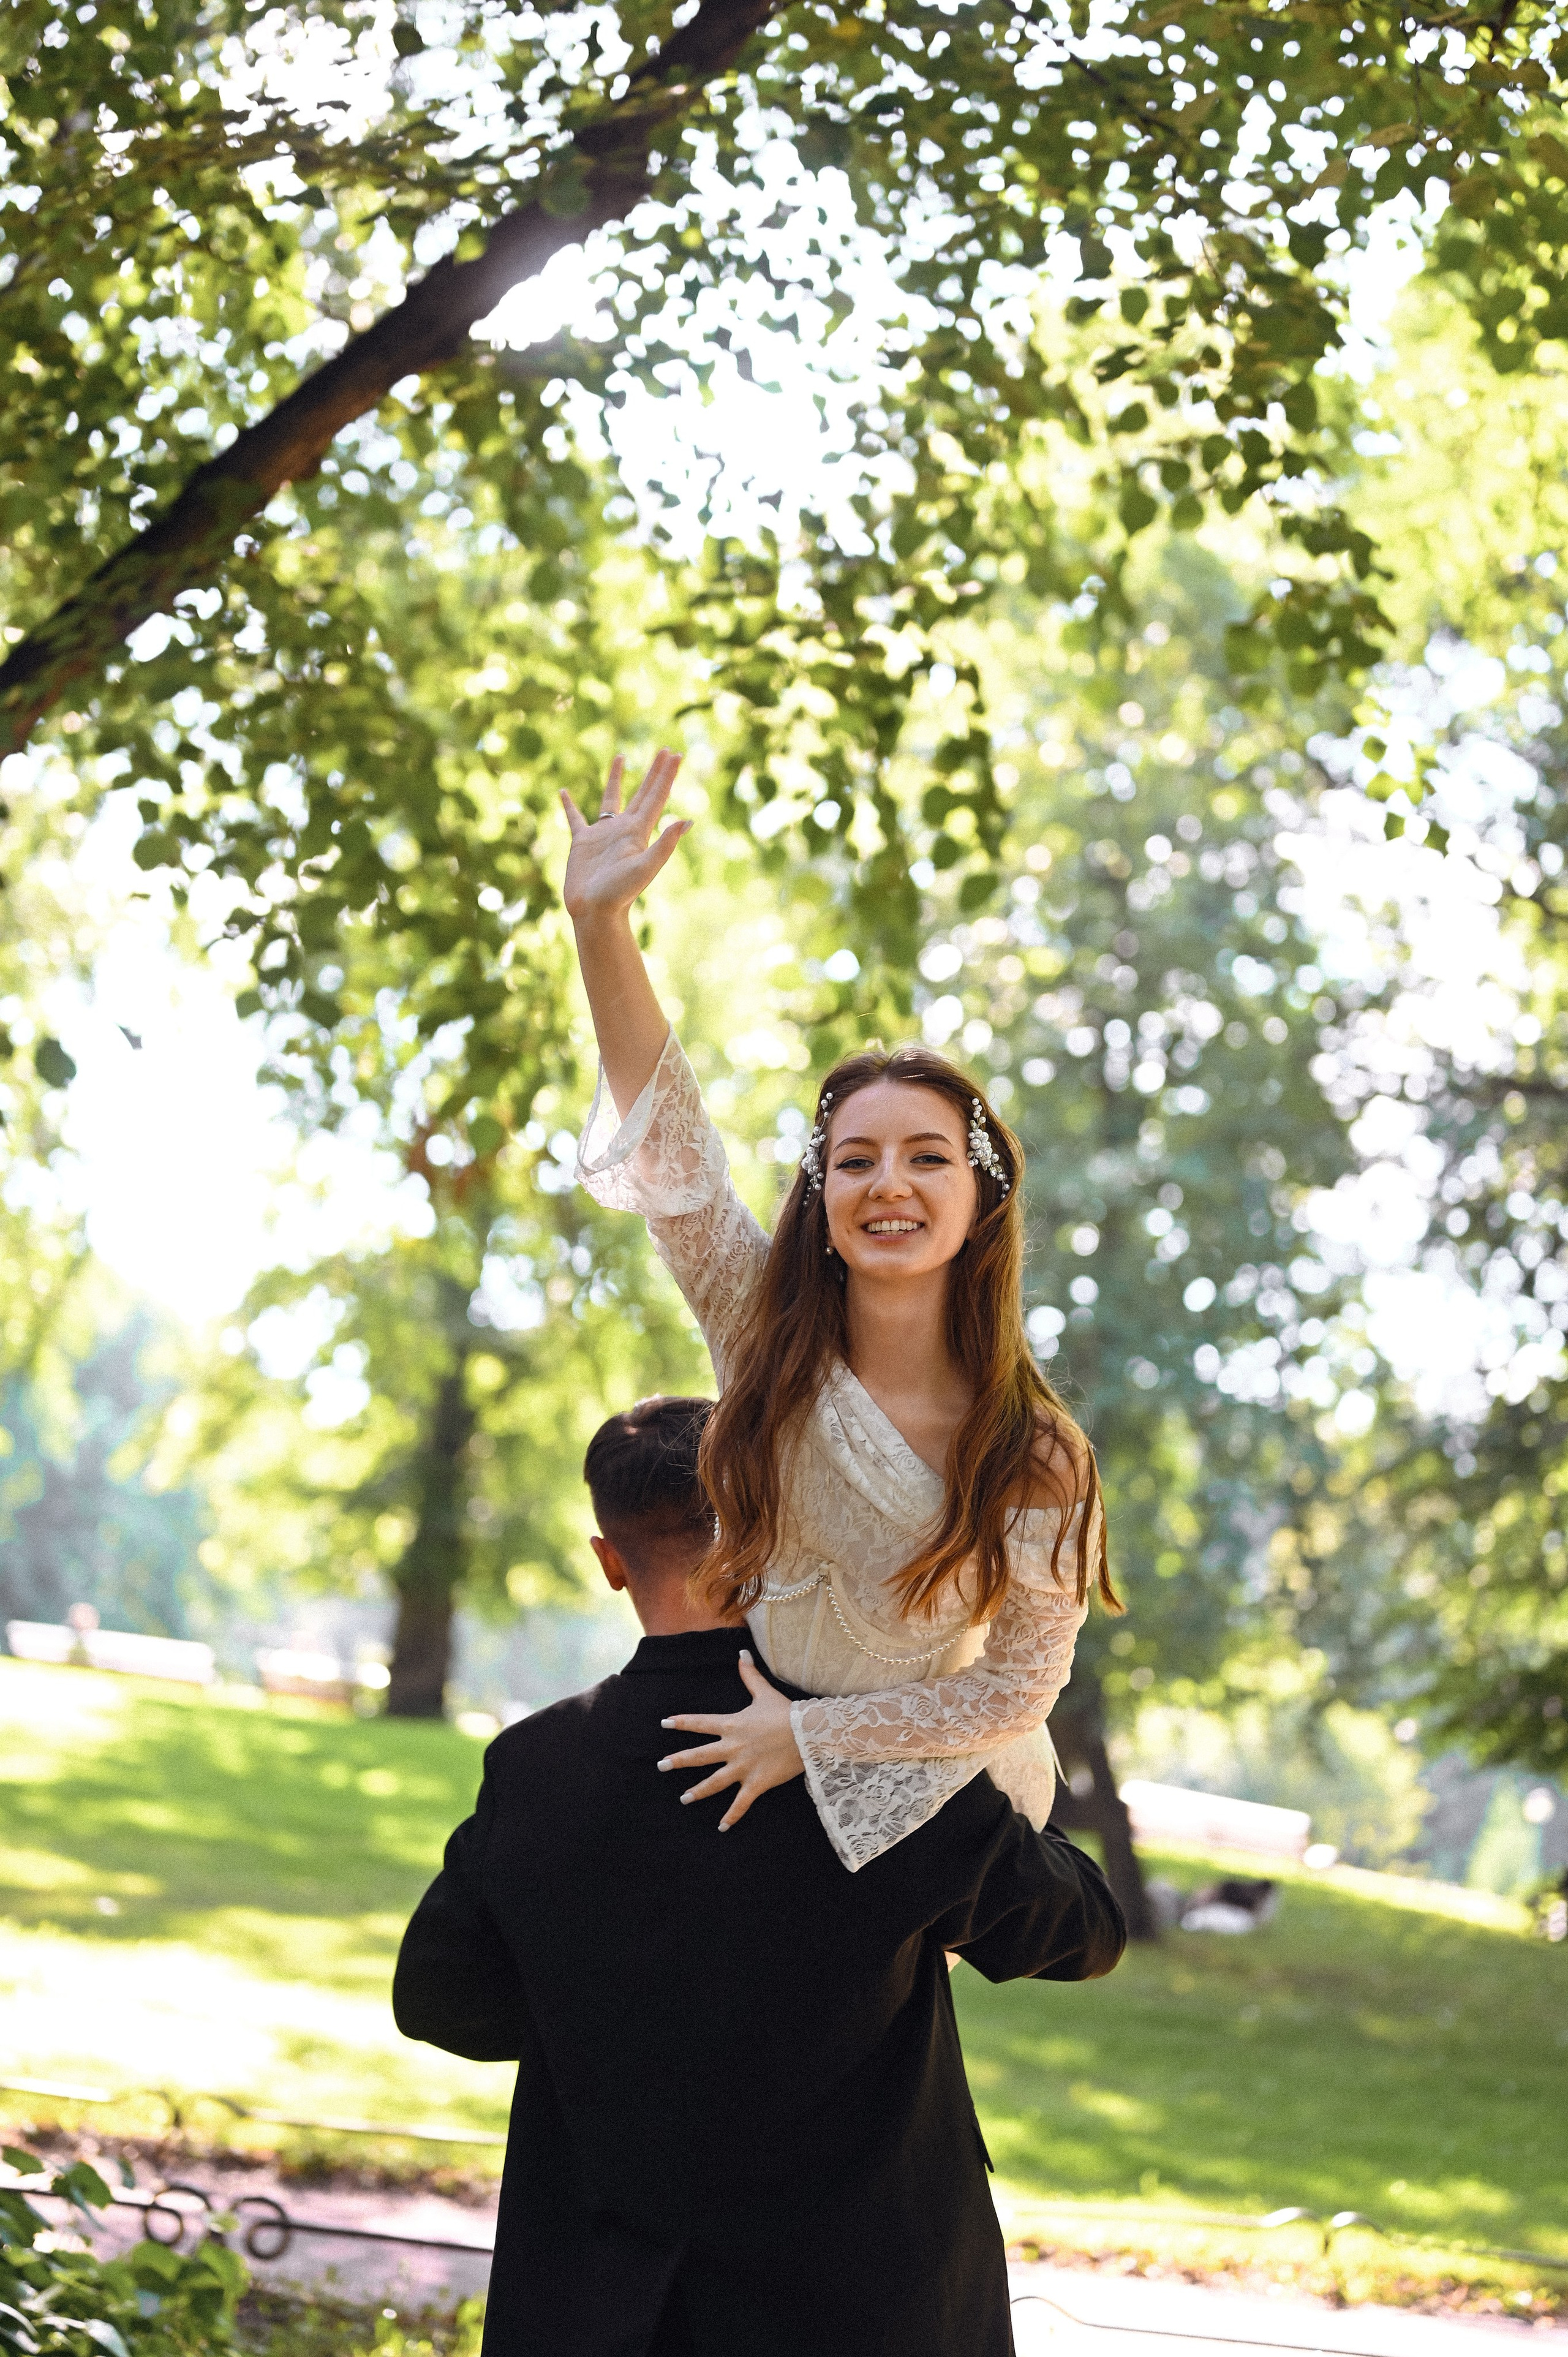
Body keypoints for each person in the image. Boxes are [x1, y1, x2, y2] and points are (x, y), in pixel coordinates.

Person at [394, 1394, 1125, 2357]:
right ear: (784, 1534)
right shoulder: (870, 1758)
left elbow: (439, 2001)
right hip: (862, 2311)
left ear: (610, 1562)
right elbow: (1083, 1935)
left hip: (603, 2307)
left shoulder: (534, 1769)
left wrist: (613, 2032)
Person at [560, 749, 1120, 1874]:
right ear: (821, 1201)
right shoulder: (758, 1330)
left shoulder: (1036, 1454)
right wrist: (600, 929)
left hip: (927, 1819)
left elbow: (1018, 1688)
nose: (889, 1185)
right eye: (854, 1161)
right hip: (738, 1759)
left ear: (982, 1202)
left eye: (926, 1159)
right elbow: (674, 1155)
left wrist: (811, 1737)